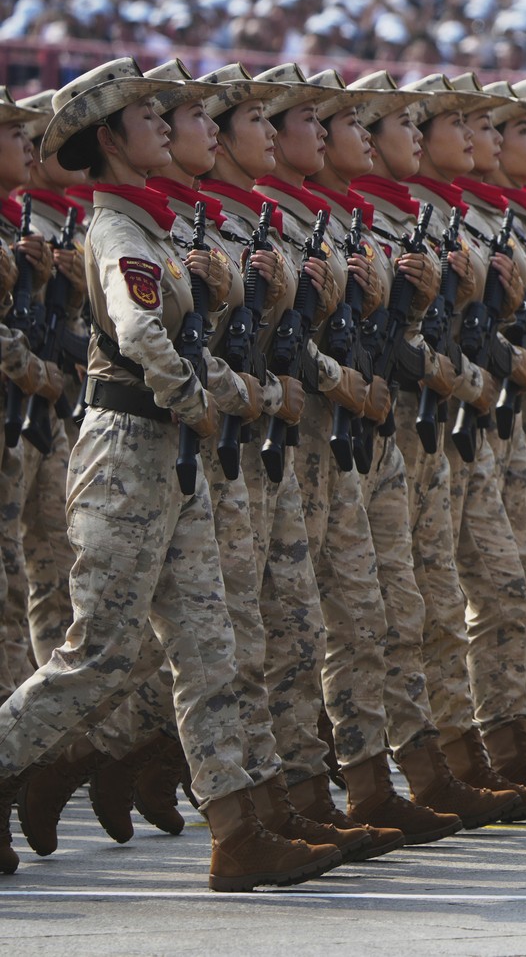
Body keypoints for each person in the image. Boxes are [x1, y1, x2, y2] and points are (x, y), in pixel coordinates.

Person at [0, 57, 340, 890]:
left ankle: (238, 831)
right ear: (108, 139)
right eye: (145, 116)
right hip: (127, 452)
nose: (161, 124)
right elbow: (143, 334)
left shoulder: (153, 227)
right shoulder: (117, 231)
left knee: (209, 643)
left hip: (168, 455)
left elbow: (181, 343)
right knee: (101, 655)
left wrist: (236, 389)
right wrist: (200, 399)